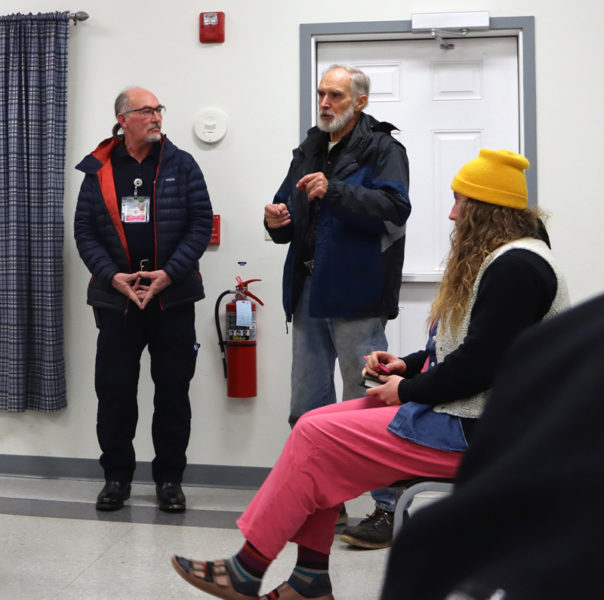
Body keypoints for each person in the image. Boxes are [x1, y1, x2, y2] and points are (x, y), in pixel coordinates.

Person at [170, 149, 568, 600]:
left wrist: (407, 390)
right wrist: (407, 365)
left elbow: (481, 365)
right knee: (313, 427)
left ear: (487, 211)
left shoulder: (517, 268)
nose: (454, 214)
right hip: (468, 417)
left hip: (482, 434)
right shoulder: (515, 259)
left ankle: (253, 569)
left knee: (316, 440)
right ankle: (307, 580)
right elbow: (466, 350)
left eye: (461, 203)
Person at [264, 64, 410, 537]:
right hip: (308, 293)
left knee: (368, 403)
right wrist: (276, 219)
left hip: (356, 296)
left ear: (360, 103)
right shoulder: (309, 147)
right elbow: (288, 211)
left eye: (337, 96)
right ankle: (322, 504)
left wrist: (338, 191)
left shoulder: (385, 149)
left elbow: (394, 210)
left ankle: (387, 507)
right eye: (322, 94)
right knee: (307, 406)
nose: (325, 103)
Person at [380, 292, 604, 600]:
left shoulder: (519, 275)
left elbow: (472, 365)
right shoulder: (565, 337)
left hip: (459, 423)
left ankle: (316, 570)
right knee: (318, 423)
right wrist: (406, 368)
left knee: (316, 433)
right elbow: (445, 355)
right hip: (445, 412)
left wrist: (406, 389)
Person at [74, 87, 213, 513]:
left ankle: (169, 479)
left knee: (173, 393)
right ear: (123, 118)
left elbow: (200, 223)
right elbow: (85, 233)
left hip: (172, 300)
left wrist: (167, 275)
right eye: (146, 111)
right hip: (116, 302)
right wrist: (112, 276)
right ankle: (116, 478)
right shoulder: (99, 169)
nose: (156, 117)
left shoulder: (181, 165)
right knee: (114, 393)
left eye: (158, 110)